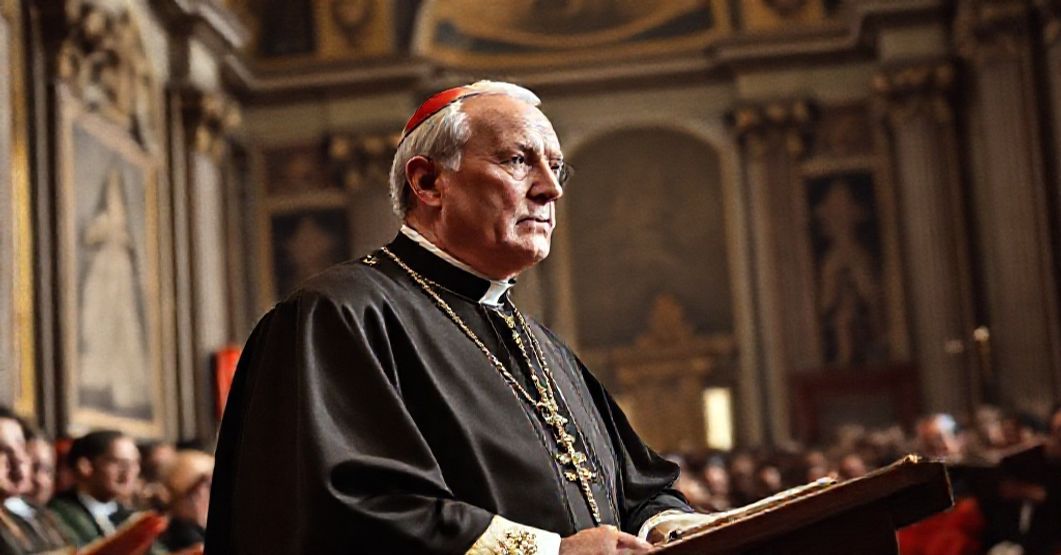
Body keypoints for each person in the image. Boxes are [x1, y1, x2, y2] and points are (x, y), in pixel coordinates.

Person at [207, 81, 701, 554]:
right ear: (427, 182)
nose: (551, 190)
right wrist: (549, 552)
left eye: (557, 168)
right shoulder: (336, 317)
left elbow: (638, 487)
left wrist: (672, 528)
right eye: (517, 161)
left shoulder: (544, 347)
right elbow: (342, 513)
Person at [47, 430, 141, 547]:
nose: (128, 473)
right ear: (85, 466)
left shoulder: (131, 518)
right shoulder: (57, 514)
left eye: (134, 464)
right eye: (119, 463)